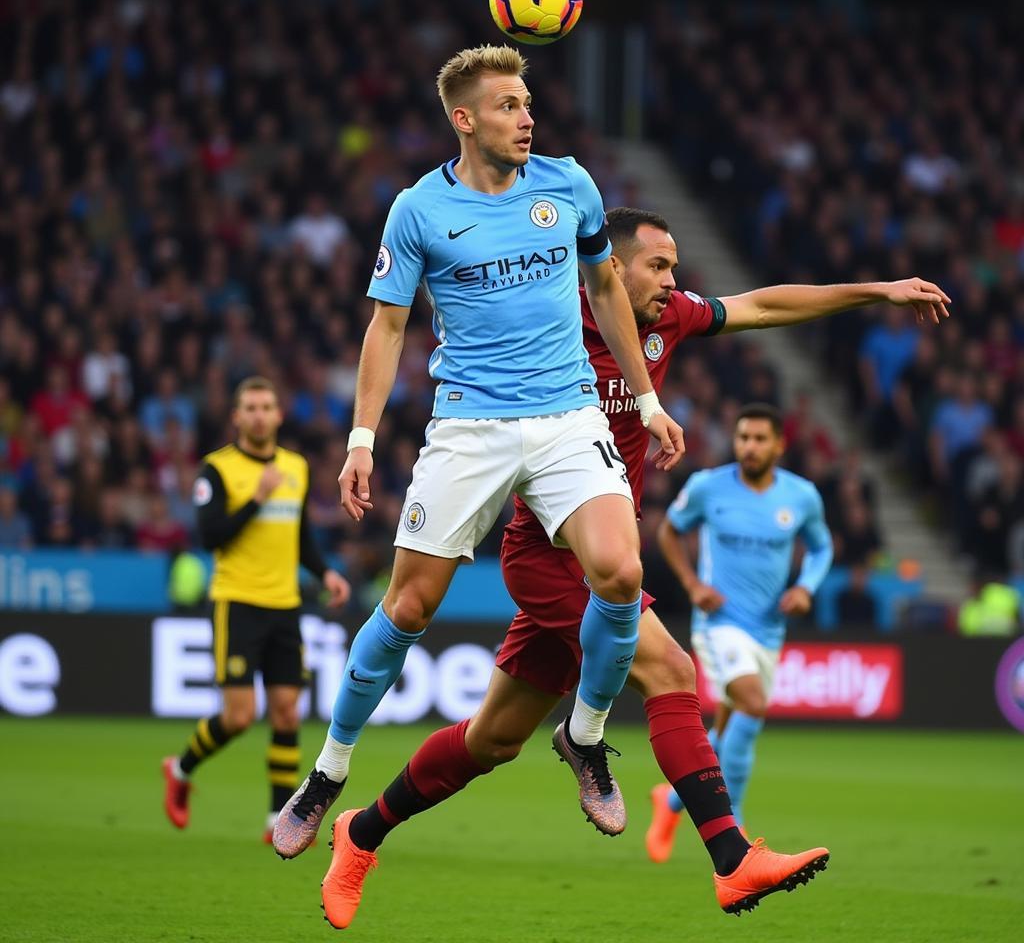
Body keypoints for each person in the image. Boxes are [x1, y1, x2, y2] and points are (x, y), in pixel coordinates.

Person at [312, 208, 950, 926]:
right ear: (609, 266)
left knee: (491, 740)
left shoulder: (667, 319)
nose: (674, 282)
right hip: (551, 558)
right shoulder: (546, 321)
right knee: (673, 673)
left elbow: (764, 303)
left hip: (602, 559)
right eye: (660, 266)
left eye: (676, 266)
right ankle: (732, 859)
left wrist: (880, 290)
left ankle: (360, 833)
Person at [272, 46, 687, 859]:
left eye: (527, 102)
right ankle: (328, 772)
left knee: (624, 573)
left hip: (569, 415)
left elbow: (606, 290)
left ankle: (587, 735)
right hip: (471, 427)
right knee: (407, 610)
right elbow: (387, 327)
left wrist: (646, 398)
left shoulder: (569, 186)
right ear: (464, 119)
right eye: (506, 105)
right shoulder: (418, 209)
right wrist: (361, 441)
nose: (526, 116)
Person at [161, 376, 350, 842]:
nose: (260, 414)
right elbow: (210, 538)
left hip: (285, 604)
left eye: (268, 406)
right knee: (240, 716)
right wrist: (257, 498)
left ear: (279, 415)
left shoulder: (296, 467)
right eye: (251, 407)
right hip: (238, 602)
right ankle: (180, 768)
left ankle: (275, 819)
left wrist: (323, 572)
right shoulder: (217, 471)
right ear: (237, 417)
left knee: (287, 713)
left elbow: (300, 532)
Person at [646, 403, 834, 858]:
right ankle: (738, 826)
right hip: (719, 623)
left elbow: (822, 546)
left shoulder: (801, 496)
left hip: (769, 629)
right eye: (743, 438)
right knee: (751, 701)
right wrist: (693, 584)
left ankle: (670, 802)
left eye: (759, 439)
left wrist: (806, 588)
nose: (749, 447)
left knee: (730, 727)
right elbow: (669, 532)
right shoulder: (708, 487)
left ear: (778, 444)